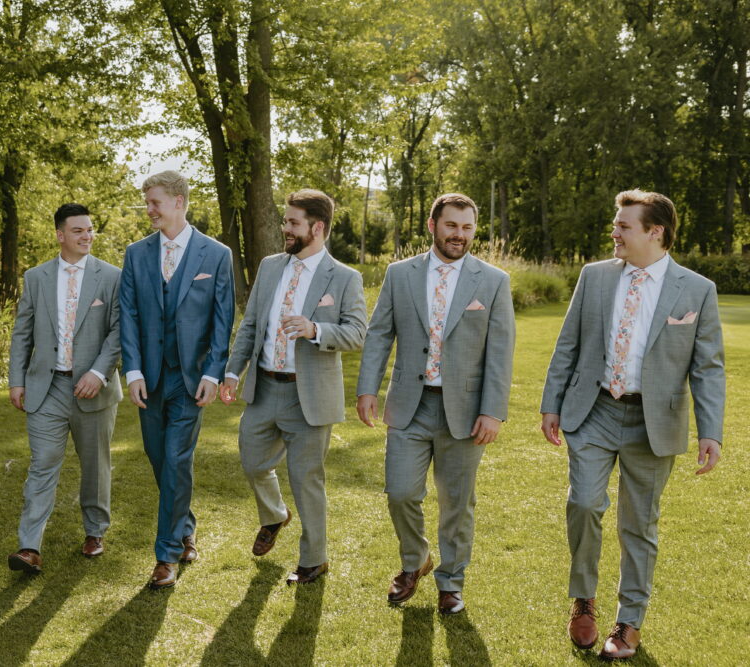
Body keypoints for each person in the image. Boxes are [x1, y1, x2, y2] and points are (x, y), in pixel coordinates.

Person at [540, 189, 724, 660]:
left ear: (654, 232)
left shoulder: (697, 289)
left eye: (623, 226)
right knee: (584, 503)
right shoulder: (595, 276)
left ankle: (629, 623)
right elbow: (568, 343)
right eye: (616, 224)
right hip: (594, 409)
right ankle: (583, 599)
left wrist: (710, 431)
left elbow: (707, 368)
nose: (614, 232)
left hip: (654, 421)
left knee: (639, 524)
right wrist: (551, 403)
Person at [356, 192, 514, 614]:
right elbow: (379, 333)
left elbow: (501, 351)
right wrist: (367, 388)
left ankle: (451, 581)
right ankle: (415, 560)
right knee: (400, 492)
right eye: (451, 225)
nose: (459, 235)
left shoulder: (493, 281)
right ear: (432, 226)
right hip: (409, 404)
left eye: (467, 227)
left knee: (456, 503)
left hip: (465, 411)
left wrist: (493, 411)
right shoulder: (400, 274)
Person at [220, 189, 366, 585]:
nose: (285, 228)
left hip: (310, 396)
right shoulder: (270, 267)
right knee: (253, 462)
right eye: (286, 221)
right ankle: (274, 515)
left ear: (317, 228)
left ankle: (313, 560)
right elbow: (251, 324)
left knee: (306, 479)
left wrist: (315, 329)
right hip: (264, 388)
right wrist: (233, 372)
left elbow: (357, 333)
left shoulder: (345, 277)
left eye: (293, 223)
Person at [119, 171, 235, 589]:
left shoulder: (216, 254)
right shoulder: (136, 254)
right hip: (149, 378)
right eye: (147, 202)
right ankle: (185, 526)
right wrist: (132, 371)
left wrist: (213, 372)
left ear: (179, 202)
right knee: (159, 458)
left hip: (189, 380)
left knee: (176, 459)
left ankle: (166, 555)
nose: (148, 209)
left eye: (155, 202)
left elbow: (223, 320)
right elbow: (128, 315)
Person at [6, 204, 123, 574]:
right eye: (78, 231)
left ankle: (95, 531)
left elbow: (119, 331)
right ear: (60, 235)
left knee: (95, 465)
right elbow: (22, 332)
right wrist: (17, 380)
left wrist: (99, 373)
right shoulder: (35, 277)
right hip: (46, 388)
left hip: (94, 389)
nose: (87, 236)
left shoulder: (113, 276)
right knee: (42, 463)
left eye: (89, 230)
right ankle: (29, 546)